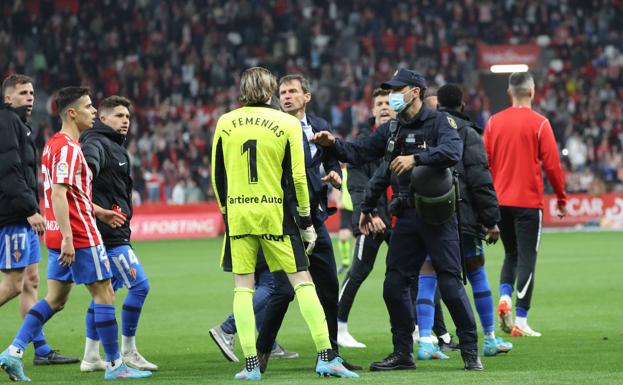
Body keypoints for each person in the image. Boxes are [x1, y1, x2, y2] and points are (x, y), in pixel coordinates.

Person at [313, 68, 483, 371]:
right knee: (393, 285)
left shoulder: (438, 122)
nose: (392, 95)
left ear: (414, 91)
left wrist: (416, 158)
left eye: (397, 89)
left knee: (450, 283)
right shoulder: (392, 129)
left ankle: (471, 351)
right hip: (405, 216)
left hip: (438, 216)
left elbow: (452, 151)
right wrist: (332, 145)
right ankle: (402, 352)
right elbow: (360, 152)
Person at [210, 67, 358, 380]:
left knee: (243, 288)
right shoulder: (286, 123)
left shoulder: (225, 122)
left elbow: (216, 174)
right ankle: (326, 357)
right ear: (268, 91)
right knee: (302, 282)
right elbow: (299, 176)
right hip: (275, 214)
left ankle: (251, 366)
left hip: (238, 215)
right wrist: (305, 220)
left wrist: (227, 212)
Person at [0, 87, 152, 381]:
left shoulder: (52, 145)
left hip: (58, 234)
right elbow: (58, 194)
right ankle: (114, 365)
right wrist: (71, 237)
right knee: (105, 294)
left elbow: (71, 193)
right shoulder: (70, 149)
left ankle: (14, 351)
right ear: (72, 113)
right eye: (88, 107)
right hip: (79, 235)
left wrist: (99, 211)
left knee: (55, 299)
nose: (94, 111)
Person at [254, 73, 360, 374]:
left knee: (328, 287)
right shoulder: (272, 127)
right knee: (284, 291)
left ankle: (330, 355)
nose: (285, 96)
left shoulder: (320, 126)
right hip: (284, 219)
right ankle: (261, 354)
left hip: (314, 217)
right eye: (282, 92)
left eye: (291, 91)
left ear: (306, 96)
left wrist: (333, 174)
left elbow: (328, 160)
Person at [413, 83, 513, 361]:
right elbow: (480, 179)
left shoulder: (425, 129)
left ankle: (425, 341)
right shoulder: (468, 133)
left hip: (429, 212)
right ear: (463, 106)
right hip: (464, 216)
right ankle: (490, 338)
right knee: (477, 272)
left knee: (428, 272)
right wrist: (492, 220)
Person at [0, 74, 78, 366]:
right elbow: (8, 170)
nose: (30, 97)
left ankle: (41, 351)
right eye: (22, 93)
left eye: (32, 92)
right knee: (12, 284)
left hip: (22, 213)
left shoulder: (20, 125)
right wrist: (30, 209)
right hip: (14, 216)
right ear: (8, 98)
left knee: (31, 282)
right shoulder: (6, 121)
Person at [484, 72, 567, 337]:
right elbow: (552, 165)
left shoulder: (493, 122)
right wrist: (562, 197)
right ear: (532, 92)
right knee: (527, 257)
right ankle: (520, 319)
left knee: (511, 254)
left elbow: (483, 163)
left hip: (499, 201)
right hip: (528, 202)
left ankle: (505, 295)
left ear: (510, 93)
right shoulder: (540, 123)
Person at [78, 96, 157, 372]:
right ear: (103, 118)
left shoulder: (113, 146)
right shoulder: (96, 144)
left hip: (112, 231)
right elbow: (84, 174)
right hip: (109, 235)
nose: (126, 121)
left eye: (128, 117)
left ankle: (90, 356)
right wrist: (100, 211)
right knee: (140, 286)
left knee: (105, 293)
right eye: (119, 116)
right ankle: (128, 350)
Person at [336, 88, 395, 349]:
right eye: (379, 103)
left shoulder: (407, 137)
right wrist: (367, 213)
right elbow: (358, 184)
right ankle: (338, 328)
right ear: (372, 111)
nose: (383, 107)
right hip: (371, 218)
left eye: (388, 103)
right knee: (359, 270)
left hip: (399, 218)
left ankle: (425, 329)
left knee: (413, 272)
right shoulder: (363, 143)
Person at [208, 252, 299, 363]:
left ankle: (268, 345)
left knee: (263, 285)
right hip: (264, 242)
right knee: (271, 287)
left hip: (246, 245)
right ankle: (227, 328)